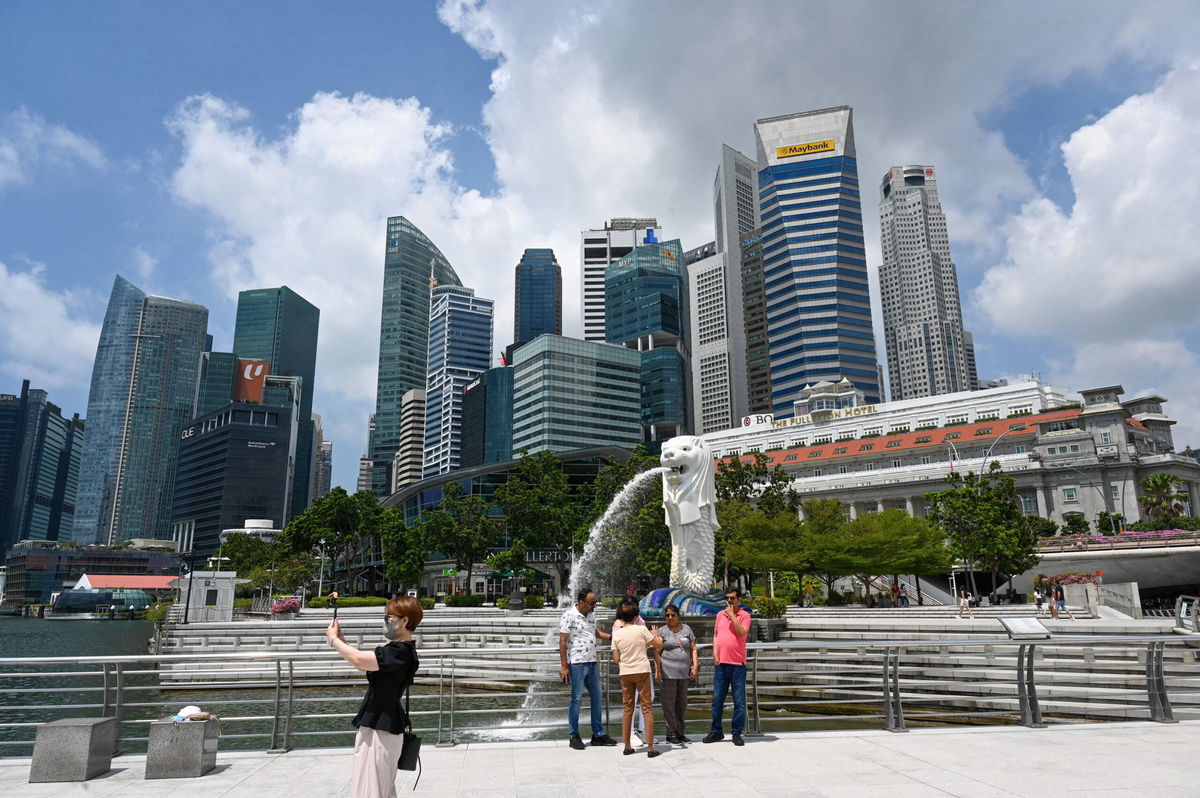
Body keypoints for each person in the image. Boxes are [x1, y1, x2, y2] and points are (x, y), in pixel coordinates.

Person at [325, 596, 422, 798]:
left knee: (373, 789)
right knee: (376, 788)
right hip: (380, 724)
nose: (385, 621)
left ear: (404, 621)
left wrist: (334, 640)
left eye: (389, 617)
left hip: (382, 727)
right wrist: (342, 641)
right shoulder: (398, 651)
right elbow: (364, 661)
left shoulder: (400, 652)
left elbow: (360, 661)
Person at [559, 587, 619, 750]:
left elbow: (594, 632)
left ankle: (598, 734)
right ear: (581, 602)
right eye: (592, 603)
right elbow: (563, 642)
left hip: (592, 662)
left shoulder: (591, 615)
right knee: (576, 699)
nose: (594, 606)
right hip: (577, 663)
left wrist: (611, 637)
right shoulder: (569, 615)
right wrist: (564, 666)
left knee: (597, 698)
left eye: (595, 603)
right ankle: (574, 735)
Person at [611, 601, 663, 757]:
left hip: (626, 673)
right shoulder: (641, 629)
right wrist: (655, 636)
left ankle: (627, 746)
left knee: (628, 709)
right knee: (647, 708)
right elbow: (658, 645)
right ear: (635, 617)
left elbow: (615, 658)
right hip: (642, 671)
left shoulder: (617, 633)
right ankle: (650, 748)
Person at [704, 586, 751, 746]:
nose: (729, 601)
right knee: (717, 700)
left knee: (739, 701)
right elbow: (716, 634)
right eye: (727, 598)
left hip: (738, 664)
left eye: (732, 598)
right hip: (721, 663)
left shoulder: (744, 615)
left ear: (739, 599)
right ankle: (716, 731)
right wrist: (715, 653)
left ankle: (736, 733)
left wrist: (732, 616)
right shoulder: (719, 615)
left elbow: (742, 633)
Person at [654, 603, 698, 744]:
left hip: (684, 673)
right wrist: (658, 670)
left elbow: (693, 648)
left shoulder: (687, 629)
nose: (670, 617)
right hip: (668, 673)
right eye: (667, 615)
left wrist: (695, 665)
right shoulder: (662, 631)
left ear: (678, 616)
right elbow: (656, 653)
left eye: (673, 615)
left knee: (681, 704)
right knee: (669, 704)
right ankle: (671, 733)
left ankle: (680, 732)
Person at [611, 597, 653, 740]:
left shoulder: (637, 624)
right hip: (639, 667)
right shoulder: (622, 625)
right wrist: (655, 638)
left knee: (632, 706)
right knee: (641, 706)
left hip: (629, 669)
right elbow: (651, 643)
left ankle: (636, 736)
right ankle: (645, 742)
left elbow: (616, 655)